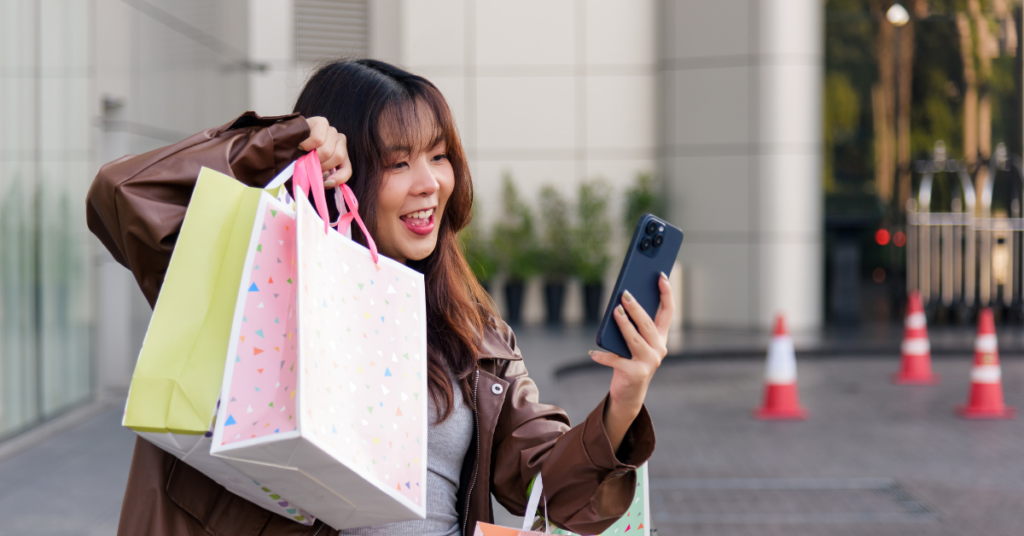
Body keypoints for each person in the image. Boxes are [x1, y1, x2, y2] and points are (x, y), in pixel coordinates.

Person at [87, 59, 670, 536]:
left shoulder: (473, 330)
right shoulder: (255, 284)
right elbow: (124, 195)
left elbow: (552, 489)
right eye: (398, 162)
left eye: (438, 156)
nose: (429, 183)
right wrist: (277, 143)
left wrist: (624, 398)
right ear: (345, 168)